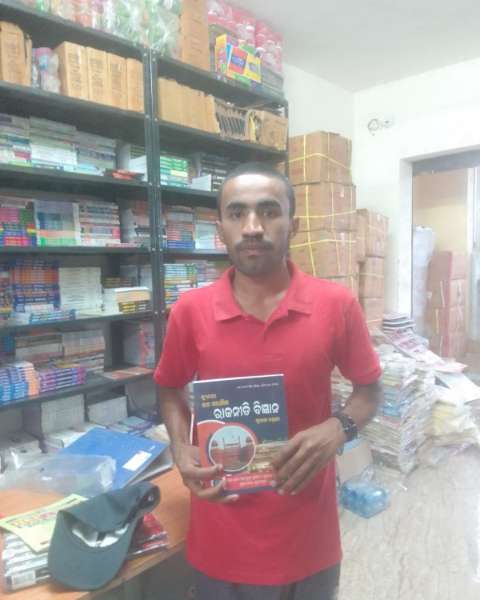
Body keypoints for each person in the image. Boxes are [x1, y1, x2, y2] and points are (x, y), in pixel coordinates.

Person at [154, 162, 382, 600]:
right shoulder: (190, 311)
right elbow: (169, 386)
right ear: (221, 229)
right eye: (237, 213)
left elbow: (370, 390)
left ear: (293, 225)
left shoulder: (336, 305)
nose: (253, 227)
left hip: (308, 539)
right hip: (220, 540)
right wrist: (180, 447)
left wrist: (338, 428)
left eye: (269, 211)